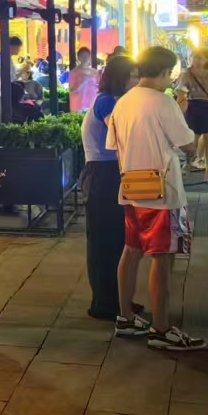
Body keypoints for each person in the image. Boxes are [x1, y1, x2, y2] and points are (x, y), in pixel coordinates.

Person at [107, 46, 206, 351]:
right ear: (164, 72)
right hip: (163, 192)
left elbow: (113, 145)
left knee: (131, 250)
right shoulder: (164, 102)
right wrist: (184, 115)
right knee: (163, 259)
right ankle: (161, 329)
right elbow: (189, 145)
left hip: (131, 187)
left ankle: (125, 316)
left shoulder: (123, 102)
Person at [83, 54, 135, 321]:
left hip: (109, 173)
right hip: (102, 175)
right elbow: (121, 132)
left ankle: (119, 299)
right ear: (120, 78)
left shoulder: (114, 101)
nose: (137, 81)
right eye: (133, 76)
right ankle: (105, 303)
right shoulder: (106, 102)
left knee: (117, 239)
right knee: (104, 241)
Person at [178, 50, 208, 185]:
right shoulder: (186, 73)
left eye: (201, 58)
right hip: (193, 106)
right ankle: (188, 163)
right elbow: (181, 91)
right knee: (192, 141)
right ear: (190, 59)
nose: (198, 61)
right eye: (195, 57)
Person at [68, 48, 98, 114]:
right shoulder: (74, 72)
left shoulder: (94, 72)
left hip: (93, 104)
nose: (85, 58)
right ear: (78, 58)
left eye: (87, 56)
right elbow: (72, 89)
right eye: (83, 56)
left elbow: (99, 87)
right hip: (79, 105)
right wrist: (83, 81)